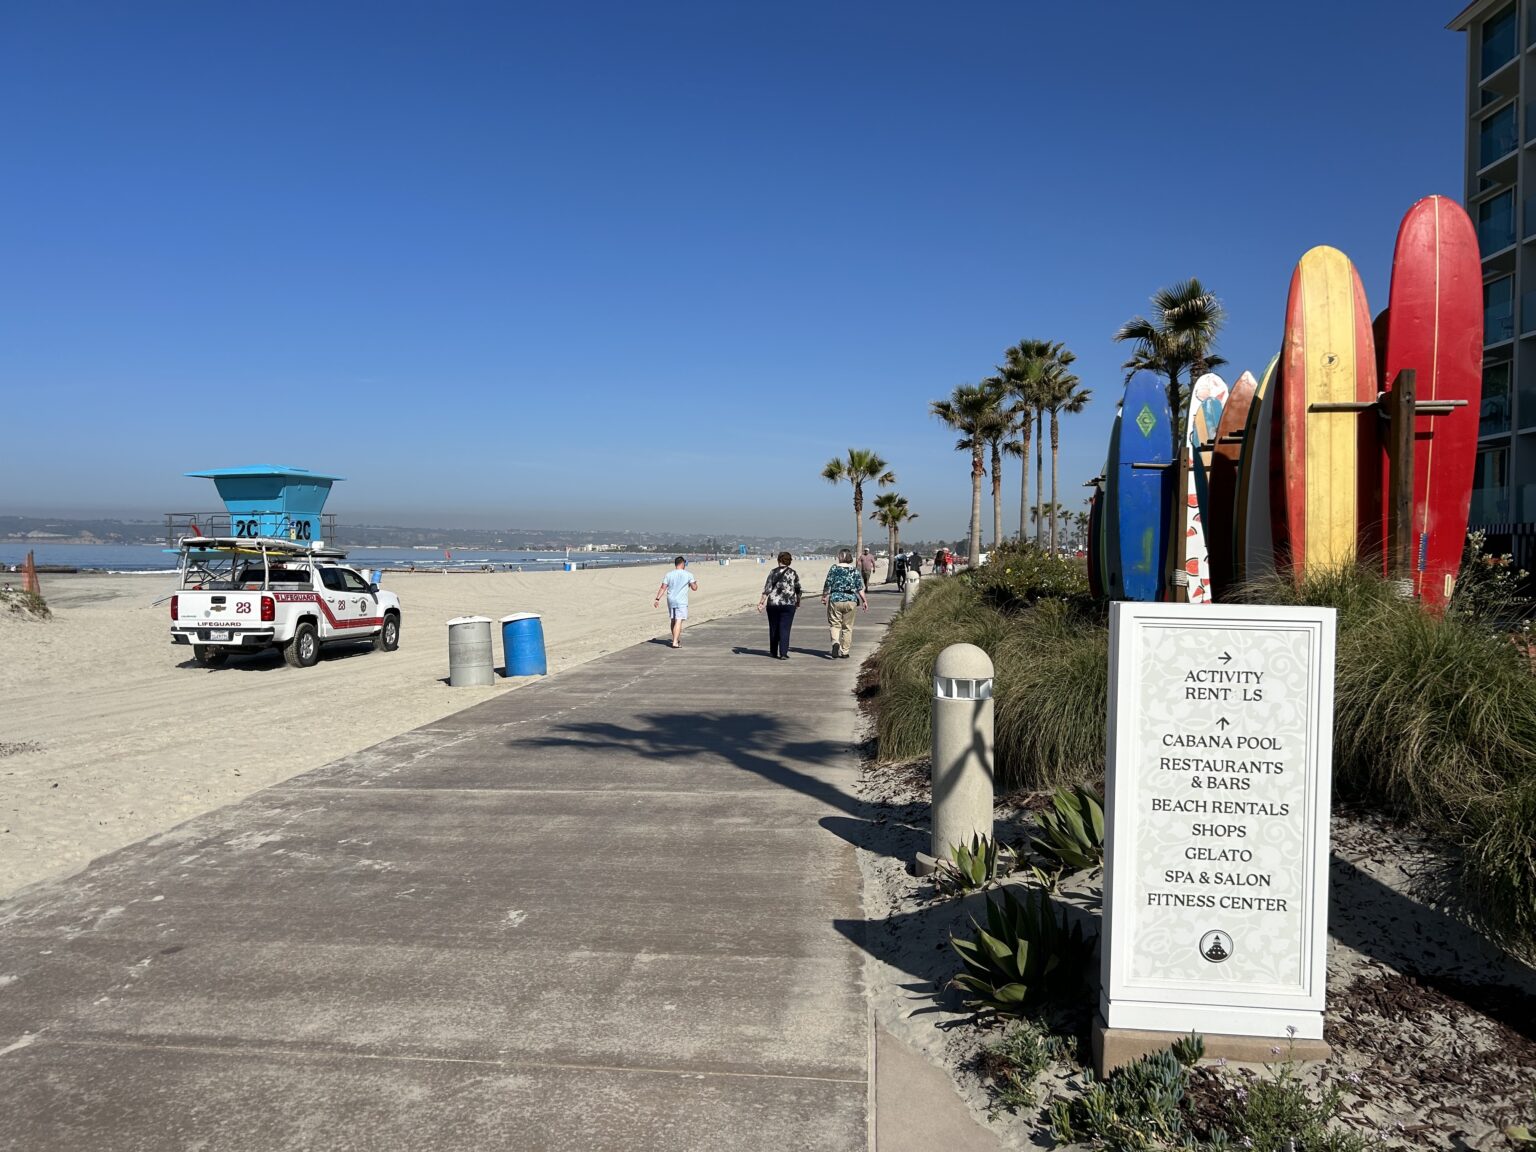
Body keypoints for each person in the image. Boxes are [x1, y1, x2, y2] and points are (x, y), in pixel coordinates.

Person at [820, 547, 868, 659]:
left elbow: (828, 584)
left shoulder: (834, 568)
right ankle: (845, 651)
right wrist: (864, 601)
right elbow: (860, 588)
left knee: (835, 624)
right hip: (850, 599)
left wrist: (824, 597)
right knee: (847, 627)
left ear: (840, 557)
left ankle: (835, 643)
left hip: (835, 598)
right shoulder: (854, 570)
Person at [756, 551, 802, 659]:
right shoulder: (793, 573)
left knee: (774, 627)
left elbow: (767, 589)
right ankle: (783, 653)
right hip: (788, 604)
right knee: (785, 628)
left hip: (773, 604)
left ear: (778, 560)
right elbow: (798, 589)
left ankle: (773, 651)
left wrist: (761, 602)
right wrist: (798, 601)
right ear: (789, 561)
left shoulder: (773, 572)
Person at [653, 556, 698, 648]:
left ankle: (675, 638)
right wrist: (694, 583)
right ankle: (675, 642)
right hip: (681, 600)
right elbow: (694, 588)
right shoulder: (688, 574)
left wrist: (657, 599)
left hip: (671, 599)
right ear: (682, 563)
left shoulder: (669, 574)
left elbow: (663, 587)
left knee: (673, 619)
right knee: (679, 620)